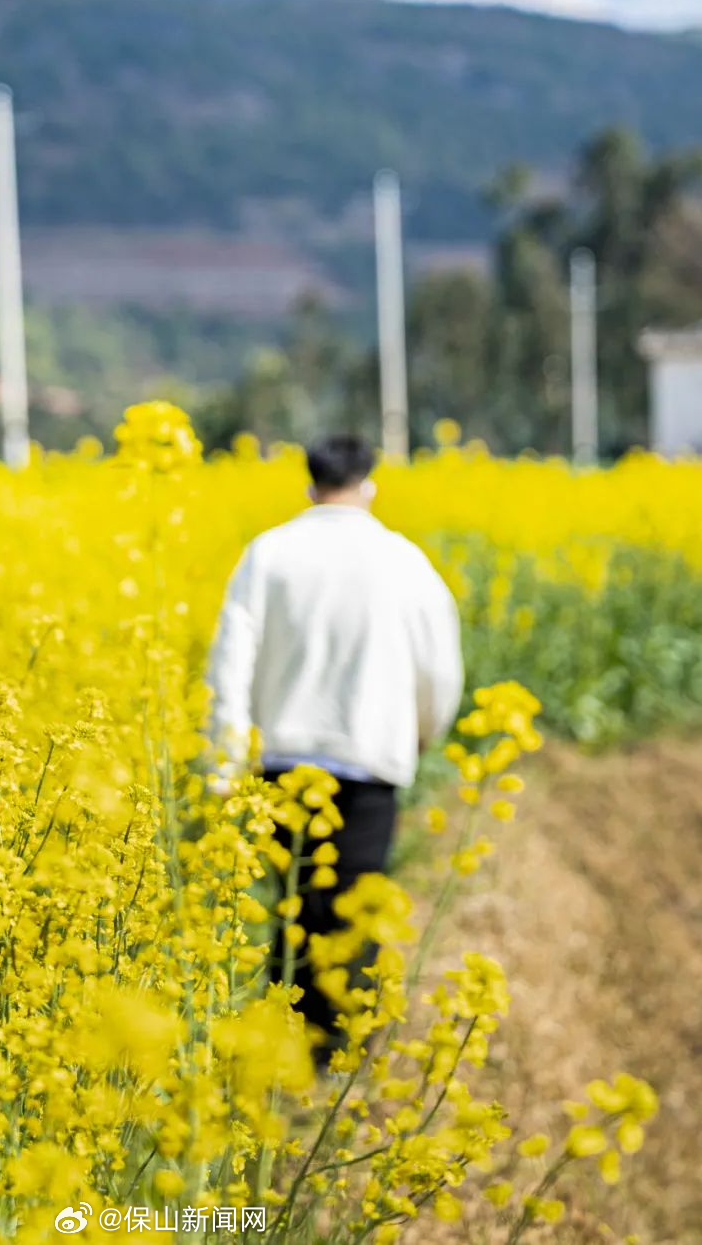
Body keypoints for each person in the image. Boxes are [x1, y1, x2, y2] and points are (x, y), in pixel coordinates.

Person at [207, 433, 464, 1059]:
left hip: (284, 759)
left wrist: (224, 757)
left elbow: (229, 664)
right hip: (371, 759)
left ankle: (287, 1050)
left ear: (309, 484)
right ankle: (341, 1050)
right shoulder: (405, 559)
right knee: (355, 906)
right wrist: (424, 732)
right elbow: (440, 668)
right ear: (369, 484)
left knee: (297, 905)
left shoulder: (267, 554)